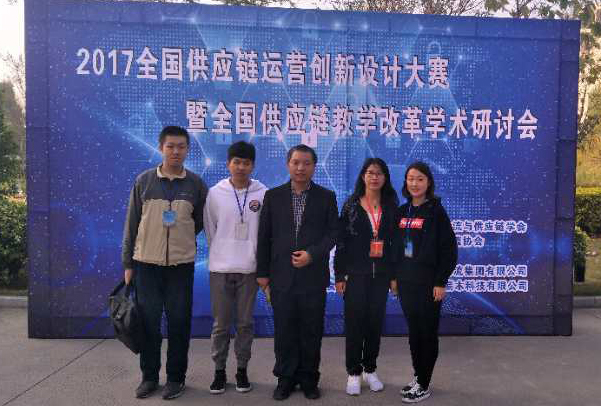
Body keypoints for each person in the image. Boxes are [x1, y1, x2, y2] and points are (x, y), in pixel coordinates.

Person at [121, 126, 207, 400]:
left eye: (181, 146)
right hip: (146, 265)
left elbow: (199, 222)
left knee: (179, 323)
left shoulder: (195, 184)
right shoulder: (144, 181)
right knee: (149, 323)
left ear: (187, 150)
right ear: (161, 148)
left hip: (181, 267)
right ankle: (149, 377)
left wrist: (180, 238)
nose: (175, 151)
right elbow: (132, 223)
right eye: (170, 146)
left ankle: (176, 379)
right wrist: (128, 263)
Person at [256, 144, 338, 401]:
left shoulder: (326, 197)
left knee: (311, 330)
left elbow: (333, 234)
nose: (301, 168)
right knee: (284, 330)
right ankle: (285, 378)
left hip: (313, 277)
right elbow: (264, 236)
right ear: (288, 165)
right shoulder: (273, 196)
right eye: (296, 162)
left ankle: (309, 378)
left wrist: (312, 254)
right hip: (281, 276)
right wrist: (262, 273)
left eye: (306, 163)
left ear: (314, 166)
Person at [203, 141, 267, 394]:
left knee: (244, 324)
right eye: (236, 162)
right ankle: (219, 372)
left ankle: (242, 370)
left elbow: (265, 232)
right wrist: (221, 252)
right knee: (220, 325)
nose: (241, 167)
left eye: (246, 163)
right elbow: (210, 229)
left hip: (249, 269)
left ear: (253, 165)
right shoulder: (215, 193)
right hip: (220, 269)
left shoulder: (263, 193)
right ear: (228, 164)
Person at [394, 161, 457, 403]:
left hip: (429, 285)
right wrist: (394, 277)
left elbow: (449, 250)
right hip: (406, 283)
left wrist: (440, 282)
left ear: (428, 182)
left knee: (427, 333)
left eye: (420, 179)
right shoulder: (402, 211)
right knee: (414, 333)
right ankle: (418, 376)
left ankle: (424, 383)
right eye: (411, 178)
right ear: (405, 182)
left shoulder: (436, 212)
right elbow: (394, 248)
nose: (415, 183)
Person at [334, 158, 399, 396]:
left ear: (385, 178)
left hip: (381, 276)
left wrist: (394, 275)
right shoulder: (351, 205)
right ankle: (353, 372)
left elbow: (396, 245)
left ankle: (370, 369)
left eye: (379, 173)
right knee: (354, 324)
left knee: (374, 323)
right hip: (355, 275)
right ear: (363, 176)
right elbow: (341, 242)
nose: (374, 177)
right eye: (370, 173)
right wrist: (339, 274)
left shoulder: (391, 206)